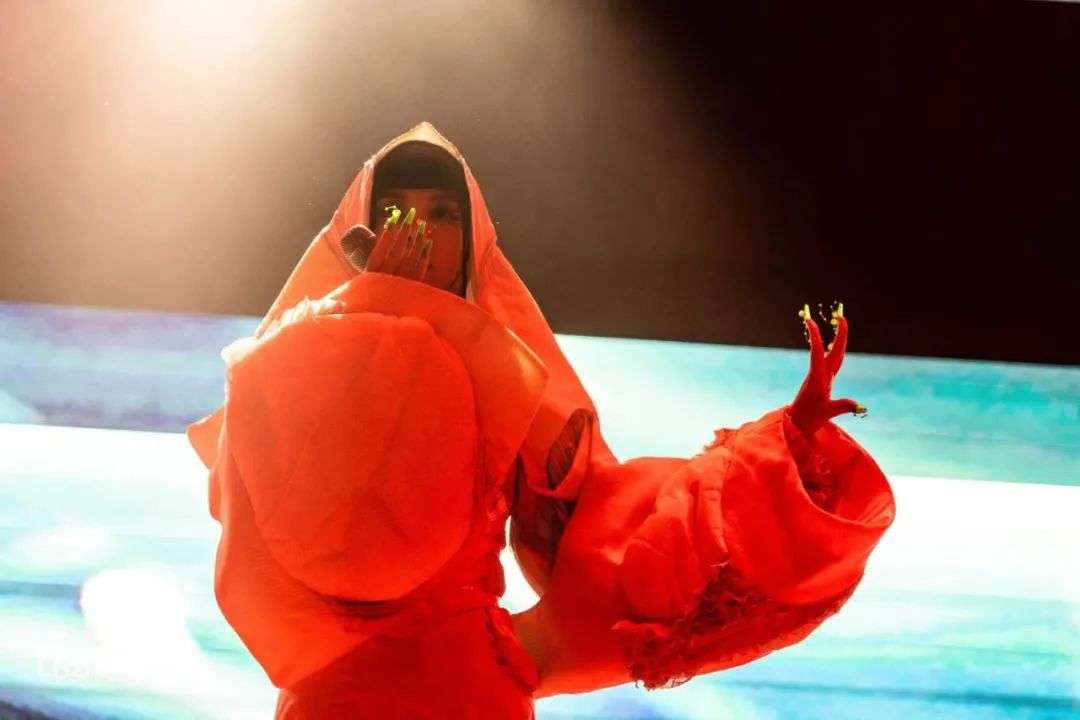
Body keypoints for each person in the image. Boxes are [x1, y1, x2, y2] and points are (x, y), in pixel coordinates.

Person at [185, 121, 896, 718]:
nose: (421, 230)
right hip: (341, 689)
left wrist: (784, 451)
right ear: (360, 228)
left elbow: (620, 527)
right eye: (396, 210)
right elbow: (316, 535)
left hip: (470, 683)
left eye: (444, 213)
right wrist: (371, 322)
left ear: (474, 234)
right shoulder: (292, 357)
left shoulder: (506, 365)